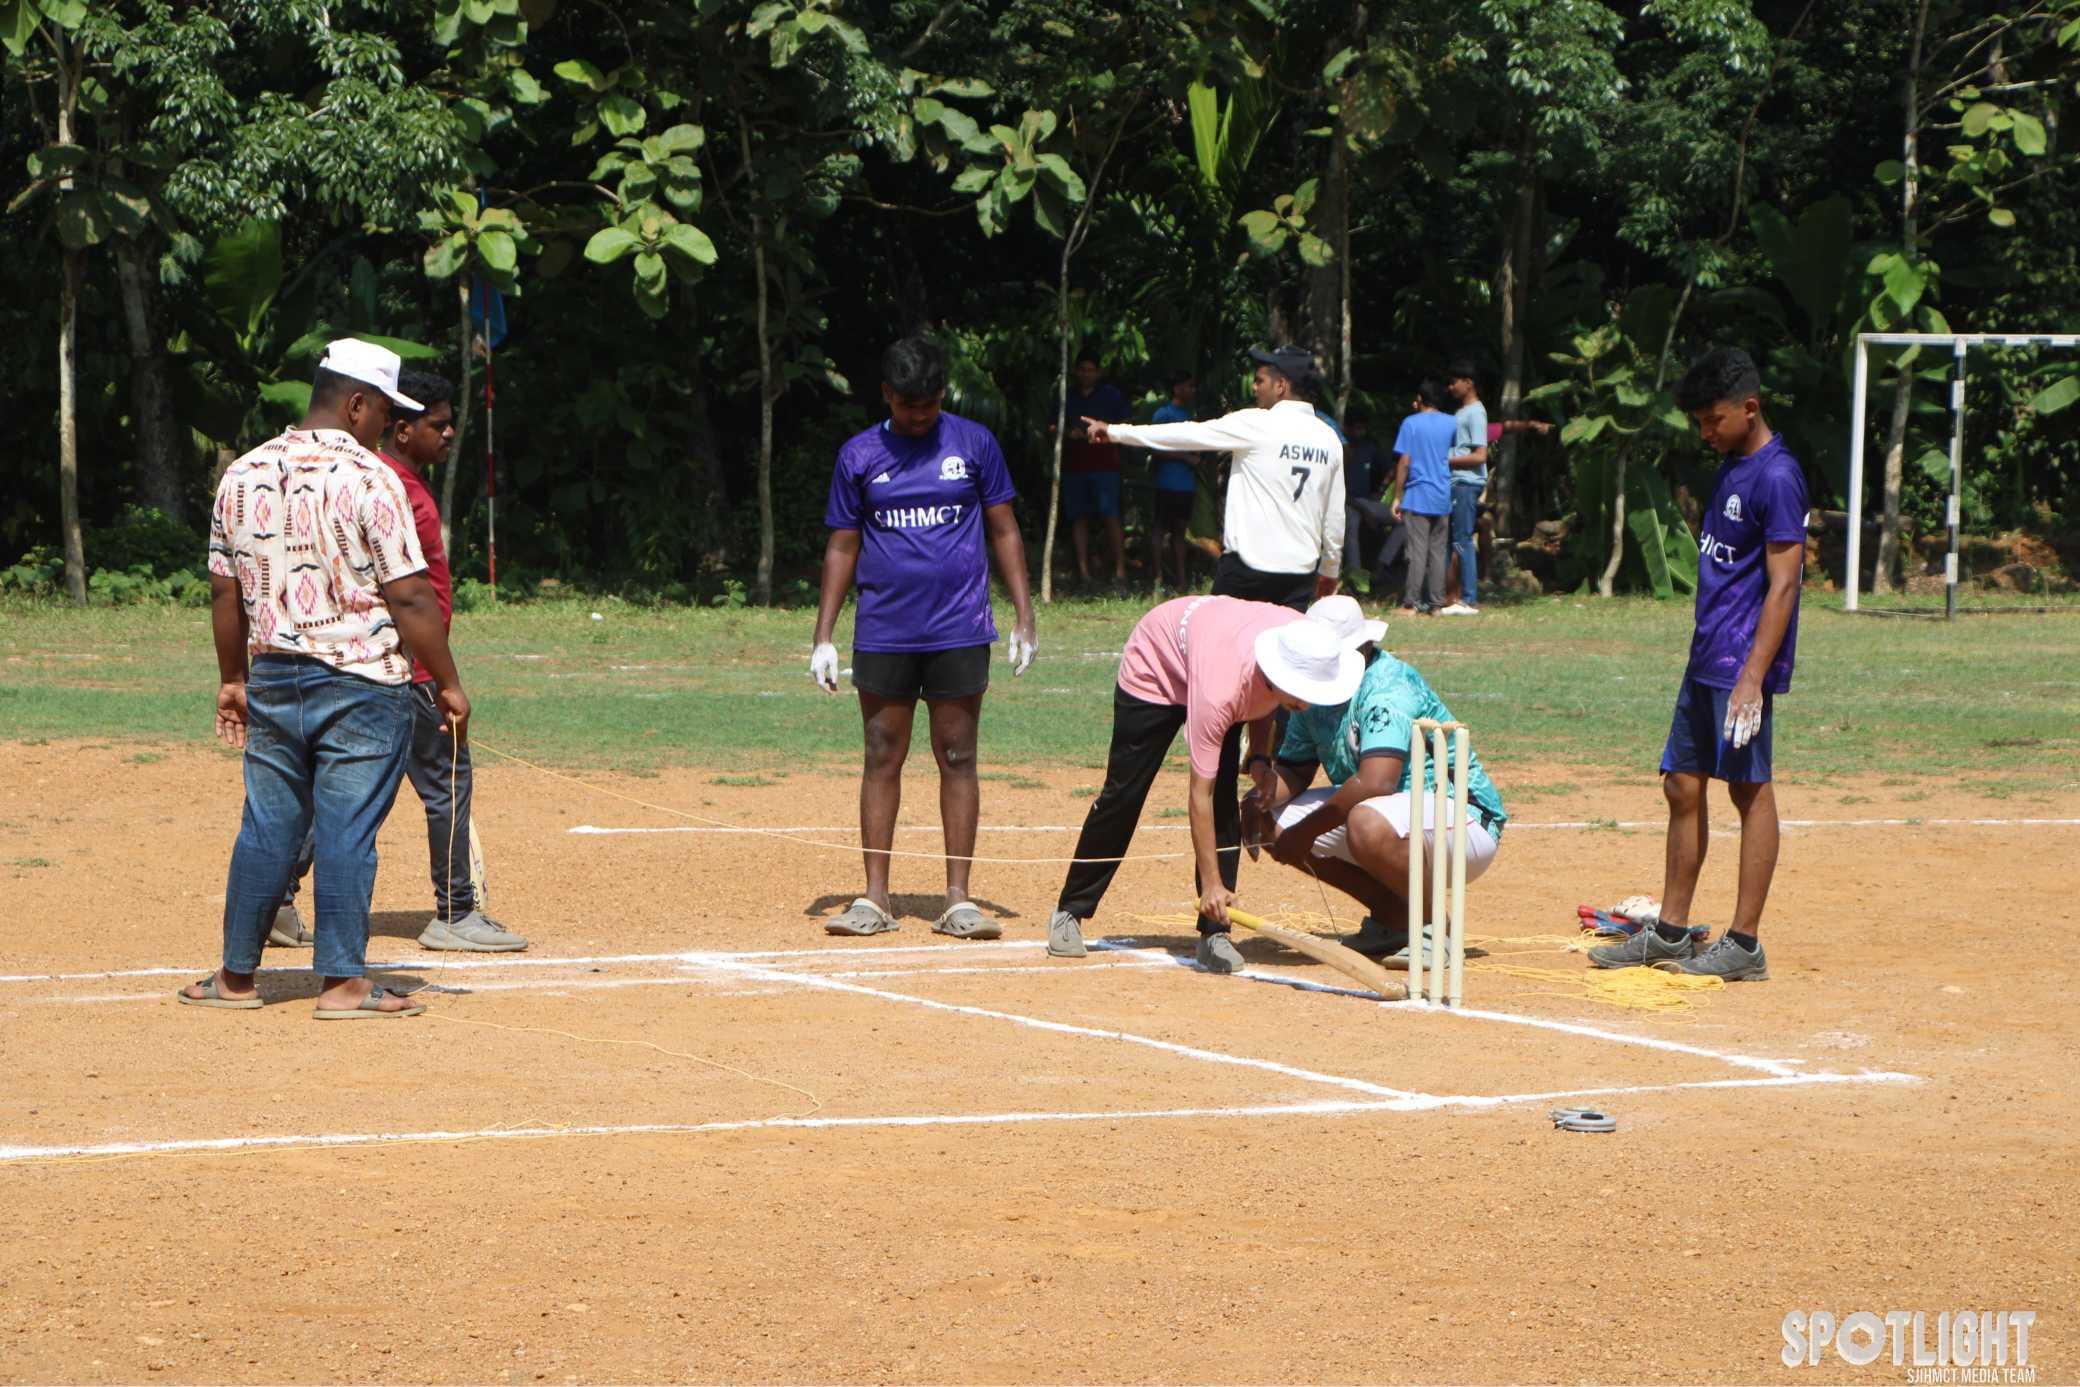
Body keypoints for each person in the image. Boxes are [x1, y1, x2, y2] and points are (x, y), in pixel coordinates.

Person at [179, 339, 469, 1019]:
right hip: (364, 683)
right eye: (382, 413)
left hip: (275, 677)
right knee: (346, 829)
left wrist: (232, 679)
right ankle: (342, 984)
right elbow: (411, 596)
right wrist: (448, 681)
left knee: (266, 827)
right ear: (357, 404)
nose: (384, 427)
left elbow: (226, 594)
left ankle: (235, 977)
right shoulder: (375, 481)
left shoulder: (242, 474)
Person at [268, 371, 527, 954]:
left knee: (341, 786)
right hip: (405, 668)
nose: (450, 433)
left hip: (365, 664)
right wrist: (441, 677)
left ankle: (277, 900)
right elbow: (407, 593)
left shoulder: (368, 479)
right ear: (402, 430)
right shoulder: (393, 486)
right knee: (447, 782)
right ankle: (457, 912)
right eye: (438, 424)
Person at [1588, 347, 1804, 983]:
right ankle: (1673, 932)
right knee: (1681, 782)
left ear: (1750, 408)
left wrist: (1753, 678)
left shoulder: (1778, 475)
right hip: (1707, 654)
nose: (1706, 433)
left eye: (1714, 421)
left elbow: (1785, 584)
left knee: (1748, 788)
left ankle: (1744, 944)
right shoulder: (1733, 466)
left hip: (1742, 663)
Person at [811, 335, 1037, 940]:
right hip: (884, 630)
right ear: (887, 394)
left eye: (930, 404)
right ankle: (874, 898)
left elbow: (1004, 529)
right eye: (909, 405)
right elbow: (842, 543)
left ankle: (958, 899)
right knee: (882, 752)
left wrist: (1024, 615)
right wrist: (824, 635)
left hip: (959, 628)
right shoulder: (859, 455)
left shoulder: (974, 444)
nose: (920, 415)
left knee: (958, 755)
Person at [1045, 603, 1362, 972]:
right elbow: (1200, 794)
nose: (1307, 703)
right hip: (1157, 666)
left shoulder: (1304, 642)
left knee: (1227, 798)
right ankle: (1070, 911)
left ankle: (1215, 932)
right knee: (1125, 794)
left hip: (1220, 656)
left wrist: (1259, 756)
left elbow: (1266, 699)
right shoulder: (1221, 690)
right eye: (1301, 692)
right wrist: (1211, 884)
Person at [1256, 595, 1508, 960]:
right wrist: (1257, 802)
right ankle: (1394, 917)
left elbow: (1377, 783)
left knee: (1366, 822)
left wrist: (1305, 833)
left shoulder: (1387, 688)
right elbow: (1295, 770)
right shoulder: (1317, 688)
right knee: (1272, 822)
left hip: (1462, 817)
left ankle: (1433, 928)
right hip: (1391, 815)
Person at [1085, 345, 1344, 610]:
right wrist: (1330, 570)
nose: (1255, 388)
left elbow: (1187, 434)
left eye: (1260, 381)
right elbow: (1335, 518)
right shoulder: (1329, 438)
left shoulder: (1255, 423)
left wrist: (1116, 432)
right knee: (1283, 650)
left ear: (1280, 386)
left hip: (1247, 569)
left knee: (1219, 647)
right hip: (1299, 574)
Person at [1445, 418, 1553, 603]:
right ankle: (1454, 592)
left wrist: (1531, 424)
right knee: (1458, 541)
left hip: (1468, 497)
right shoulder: (1449, 437)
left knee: (1484, 523)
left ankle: (1485, 576)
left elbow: (1505, 427)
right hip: (1450, 496)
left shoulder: (1475, 433)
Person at [1059, 353, 1131, 585]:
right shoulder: (1066, 396)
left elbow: (1125, 425)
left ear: (1097, 372)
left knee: (1111, 516)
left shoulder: (1110, 396)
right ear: (1076, 371)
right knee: (1079, 517)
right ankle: (1084, 573)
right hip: (1074, 466)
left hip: (1105, 465)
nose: (1086, 374)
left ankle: (1120, 572)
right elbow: (1052, 425)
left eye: (1091, 369)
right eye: (1082, 369)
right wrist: (1068, 433)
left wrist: (1104, 432)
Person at [1390, 381, 1454, 614]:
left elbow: (1404, 461)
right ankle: (1436, 604)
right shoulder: (1451, 422)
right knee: (1438, 552)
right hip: (1442, 495)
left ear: (1421, 398)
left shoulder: (1411, 423)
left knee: (1417, 552)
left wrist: (1397, 496)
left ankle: (1411, 603)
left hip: (1417, 496)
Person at [1440, 359, 1489, 616]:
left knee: (1463, 541)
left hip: (1465, 484)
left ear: (1468, 383)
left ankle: (1469, 599)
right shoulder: (1461, 412)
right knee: (1453, 541)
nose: (1450, 387)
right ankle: (1453, 596)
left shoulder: (1476, 412)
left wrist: (1444, 459)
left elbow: (1480, 455)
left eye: (1454, 382)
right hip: (1455, 482)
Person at [1149, 370, 1202, 594]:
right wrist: (1184, 457)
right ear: (1177, 388)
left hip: (1185, 485)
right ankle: (1157, 579)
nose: (1192, 390)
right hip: (1166, 483)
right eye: (1188, 386)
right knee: (1160, 530)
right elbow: (1155, 448)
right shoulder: (1163, 414)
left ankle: (1181, 582)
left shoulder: (1191, 416)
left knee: (1180, 532)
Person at [1339, 409, 1395, 587]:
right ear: (1346, 428)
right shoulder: (1337, 448)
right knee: (1352, 527)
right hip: (1344, 502)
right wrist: (1364, 510)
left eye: (1363, 428)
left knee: (1403, 519)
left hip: (1365, 501)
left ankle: (1382, 566)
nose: (1360, 432)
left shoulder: (1369, 448)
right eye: (1356, 428)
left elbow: (1391, 469)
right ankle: (1356, 578)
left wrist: (1380, 490)